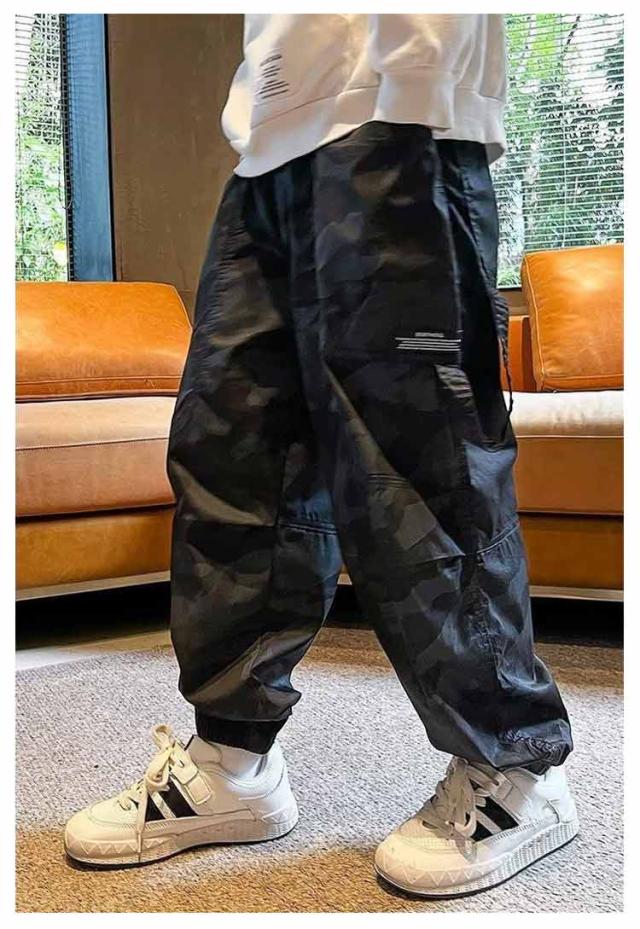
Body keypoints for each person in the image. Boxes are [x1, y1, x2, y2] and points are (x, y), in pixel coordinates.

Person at [64, 14, 577, 897]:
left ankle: (517, 765)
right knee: (233, 455)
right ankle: (235, 759)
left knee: (421, 466)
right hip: (269, 141)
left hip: (401, 107)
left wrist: (416, 79)